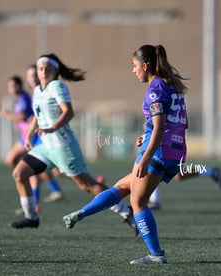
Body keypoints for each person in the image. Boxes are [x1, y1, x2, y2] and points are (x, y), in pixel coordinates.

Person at [63, 44, 189, 264]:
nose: (133, 70)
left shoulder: (155, 89)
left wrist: (147, 154)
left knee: (138, 202)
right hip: (175, 151)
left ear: (146, 65)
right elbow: (175, 124)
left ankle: (156, 254)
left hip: (158, 151)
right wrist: (147, 134)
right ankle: (80, 213)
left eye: (134, 65)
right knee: (122, 187)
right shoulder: (172, 87)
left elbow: (160, 127)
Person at [9, 54, 136, 234]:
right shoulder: (38, 91)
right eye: (40, 68)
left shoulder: (57, 86)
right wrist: (29, 136)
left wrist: (53, 128)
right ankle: (32, 217)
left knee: (87, 185)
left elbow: (68, 112)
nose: (43, 72)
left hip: (62, 146)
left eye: (48, 69)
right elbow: (37, 117)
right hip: (46, 147)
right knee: (19, 173)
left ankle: (127, 212)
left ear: (56, 71)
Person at [0, 75, 42, 212]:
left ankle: (33, 200)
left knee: (12, 160)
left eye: (13, 86)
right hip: (27, 136)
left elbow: (23, 117)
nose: (11, 89)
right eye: (9, 87)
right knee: (32, 169)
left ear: (19, 85)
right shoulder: (20, 99)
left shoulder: (23, 98)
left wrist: (8, 115)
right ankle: (33, 197)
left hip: (31, 137)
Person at [26, 64, 64, 203]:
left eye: (35, 75)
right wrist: (28, 137)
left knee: (57, 171)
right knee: (32, 170)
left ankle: (34, 205)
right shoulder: (36, 93)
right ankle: (34, 204)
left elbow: (63, 111)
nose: (34, 78)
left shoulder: (47, 91)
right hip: (38, 138)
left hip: (47, 137)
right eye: (31, 76)